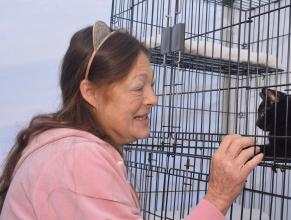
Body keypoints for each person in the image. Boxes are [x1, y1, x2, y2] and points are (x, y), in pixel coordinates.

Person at [0, 21, 263, 219]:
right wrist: (217, 197)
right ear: (90, 93)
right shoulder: (78, 160)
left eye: (152, 86)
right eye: (138, 88)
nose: (153, 99)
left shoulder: (57, 147)